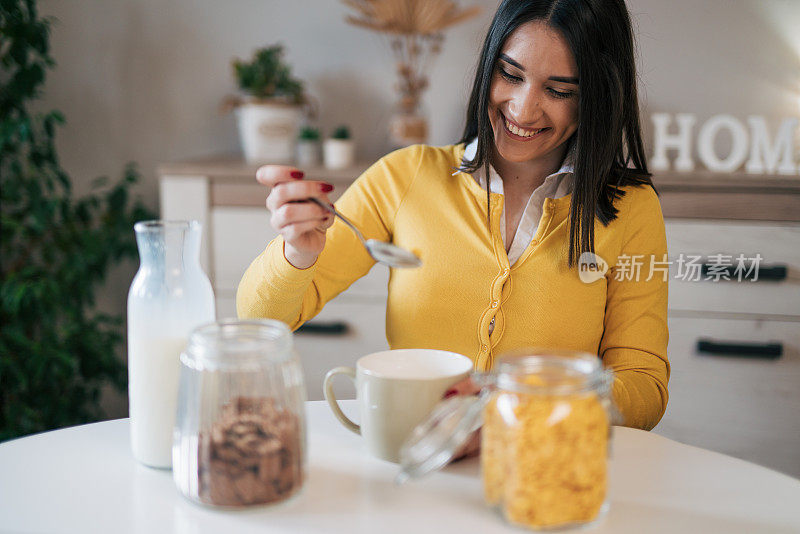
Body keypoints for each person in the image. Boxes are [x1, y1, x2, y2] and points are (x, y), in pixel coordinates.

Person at [237, 0, 669, 440]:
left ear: (596, 97)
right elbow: (259, 318)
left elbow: (644, 386)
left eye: (559, 91)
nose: (522, 109)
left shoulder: (630, 208)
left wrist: (521, 410)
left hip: (543, 475)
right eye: (510, 74)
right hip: (415, 465)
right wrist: (297, 253)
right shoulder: (405, 177)